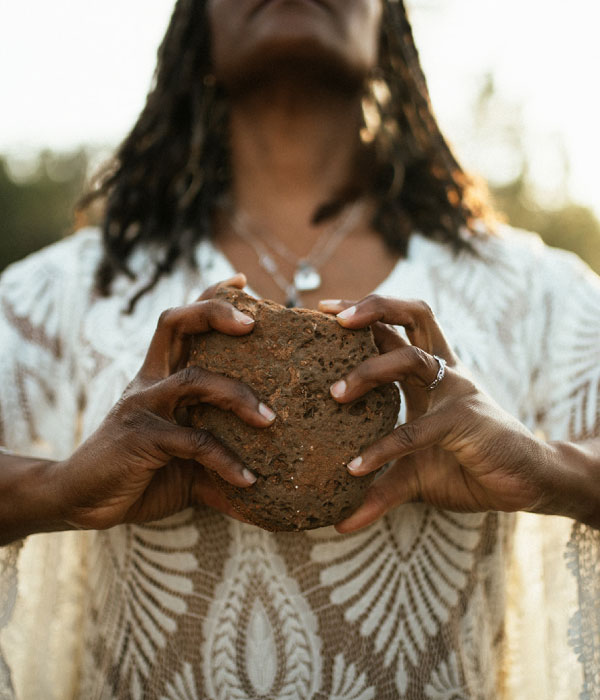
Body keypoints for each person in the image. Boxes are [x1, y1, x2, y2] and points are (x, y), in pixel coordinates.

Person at [0, 0, 598, 697]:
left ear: (390, 19)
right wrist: (57, 489)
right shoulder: (59, 291)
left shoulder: (540, 292)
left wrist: (552, 469)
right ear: (196, 19)